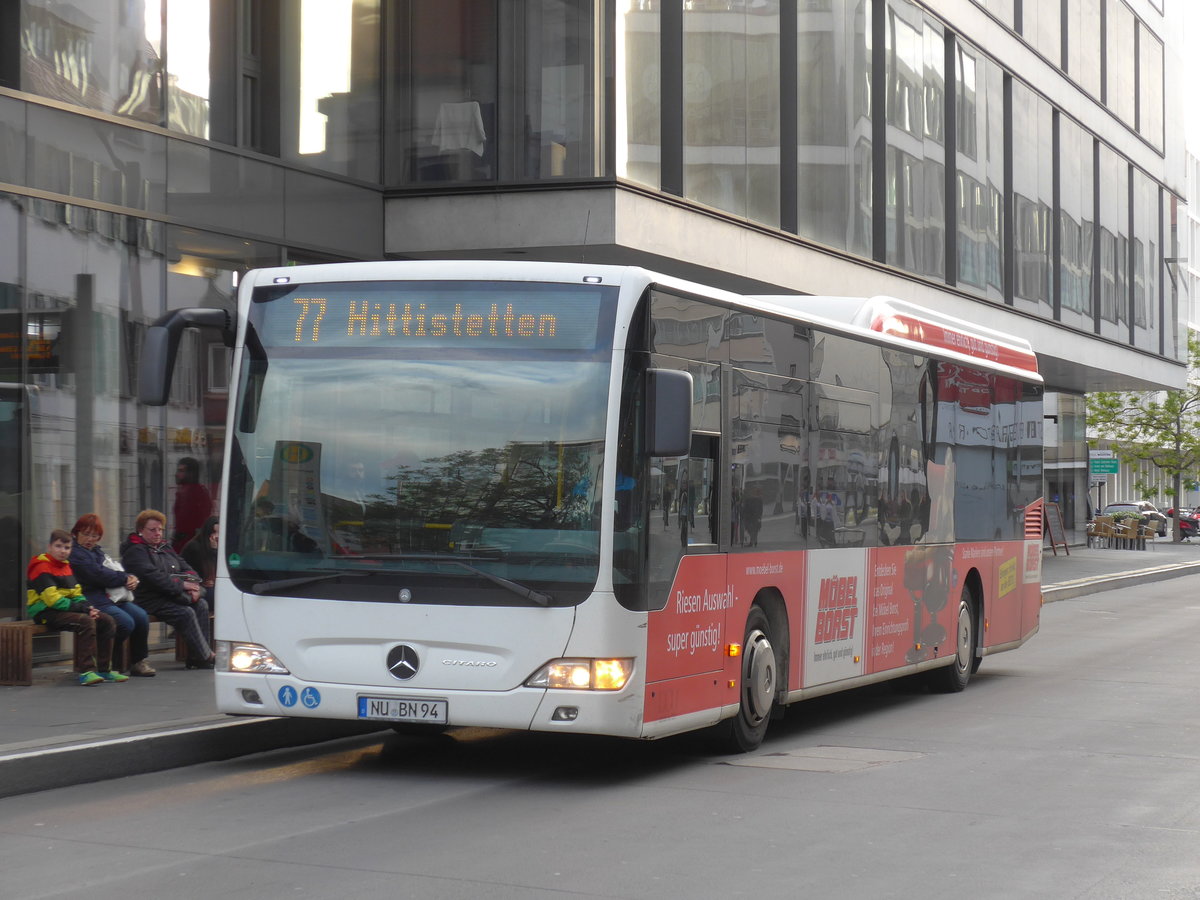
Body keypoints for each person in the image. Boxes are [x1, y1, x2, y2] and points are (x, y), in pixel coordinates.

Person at [27, 529, 127, 685]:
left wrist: (89, 608)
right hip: (45, 612)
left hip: (66, 610)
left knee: (107, 620)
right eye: (58, 546)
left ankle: (104, 670)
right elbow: (53, 600)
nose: (62, 551)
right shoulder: (41, 567)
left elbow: (77, 594)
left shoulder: (66, 566)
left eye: (67, 548)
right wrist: (84, 610)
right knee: (85, 622)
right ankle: (86, 671)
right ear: (49, 547)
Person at [121, 509, 216, 669]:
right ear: (140, 531)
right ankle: (207, 655)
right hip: (149, 598)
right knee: (185, 613)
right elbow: (153, 577)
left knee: (201, 605)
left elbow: (187, 568)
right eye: (152, 530)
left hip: (171, 595)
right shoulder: (135, 551)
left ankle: (197, 657)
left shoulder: (165, 548)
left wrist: (194, 588)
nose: (158, 533)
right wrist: (182, 584)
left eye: (160, 529)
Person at [69, 514, 156, 677]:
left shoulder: (95, 551)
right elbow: (98, 574)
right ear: (76, 533)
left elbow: (110, 570)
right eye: (86, 534)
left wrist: (131, 578)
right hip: (89, 598)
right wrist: (125, 578)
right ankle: (107, 662)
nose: (90, 539)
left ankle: (138, 661)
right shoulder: (76, 553)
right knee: (125, 622)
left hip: (109, 596)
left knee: (141, 616)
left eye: (94, 536)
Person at [172, 456, 213, 552]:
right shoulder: (183, 492)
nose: (177, 474)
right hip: (183, 542)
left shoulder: (196, 493)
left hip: (190, 544)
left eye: (181, 471)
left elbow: (201, 520)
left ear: (190, 473)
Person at [181, 516, 219, 605]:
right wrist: (213, 551)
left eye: (219, 532)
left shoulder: (219, 547)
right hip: (195, 586)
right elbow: (204, 573)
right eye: (214, 532)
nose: (216, 536)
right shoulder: (195, 547)